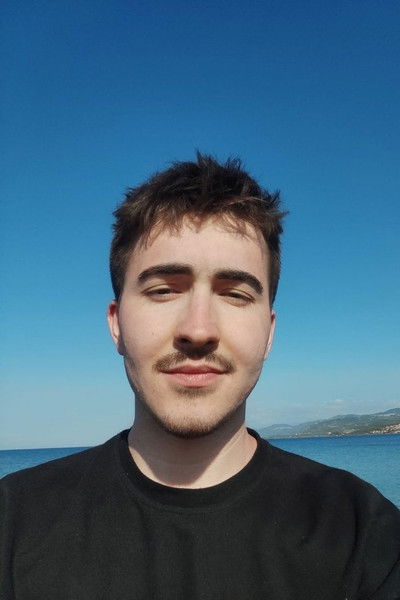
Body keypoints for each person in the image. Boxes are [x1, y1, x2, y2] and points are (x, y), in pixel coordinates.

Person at [1, 154, 399, 600]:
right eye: (163, 290)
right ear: (116, 324)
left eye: (235, 294)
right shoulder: (12, 522)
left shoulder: (364, 535)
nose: (198, 329)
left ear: (269, 332)